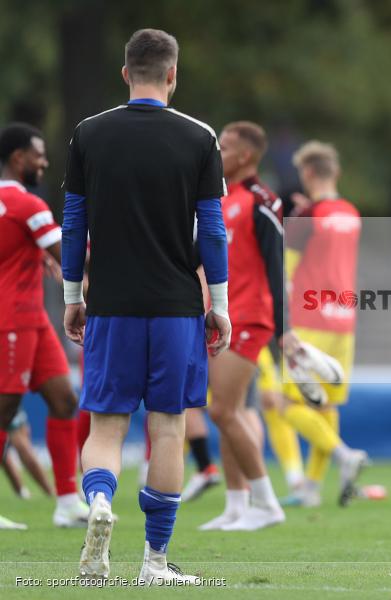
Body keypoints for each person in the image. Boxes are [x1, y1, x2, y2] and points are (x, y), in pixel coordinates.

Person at [62, 29, 231, 584]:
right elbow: (212, 231)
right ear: (173, 74)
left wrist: (72, 297)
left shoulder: (89, 134)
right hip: (176, 306)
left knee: (106, 428)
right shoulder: (200, 137)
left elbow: (74, 224)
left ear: (125, 73)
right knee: (168, 430)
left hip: (109, 304)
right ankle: (155, 561)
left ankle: (101, 502)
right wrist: (219, 304)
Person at [257, 140, 368, 507]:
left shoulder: (306, 217)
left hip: (309, 319)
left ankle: (343, 455)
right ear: (335, 172)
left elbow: (285, 271)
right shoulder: (350, 212)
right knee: (325, 406)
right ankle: (312, 488)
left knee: (288, 406)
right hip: (343, 322)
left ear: (306, 173)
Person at [199, 121, 295, 531]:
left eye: (225, 146)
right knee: (227, 410)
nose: (217, 151)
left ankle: (267, 502)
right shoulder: (220, 199)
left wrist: (284, 328)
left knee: (222, 409)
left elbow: (276, 266)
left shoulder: (261, 200)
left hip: (250, 317)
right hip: (220, 316)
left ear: (245, 156)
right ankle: (236, 505)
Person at [0, 122, 88, 530]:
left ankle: (67, 501)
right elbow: (70, 253)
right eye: (39, 154)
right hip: (11, 319)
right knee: (5, 410)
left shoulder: (11, 204)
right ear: (19, 159)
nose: (45, 162)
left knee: (64, 401)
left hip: (31, 319)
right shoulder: (26, 204)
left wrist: (42, 258)